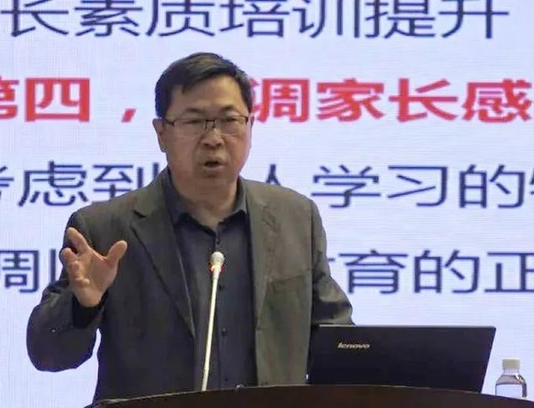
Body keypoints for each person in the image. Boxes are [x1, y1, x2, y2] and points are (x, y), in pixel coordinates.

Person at [26, 52, 353, 404]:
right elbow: (48, 355)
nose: (213, 138)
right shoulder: (106, 230)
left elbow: (336, 340)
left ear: (250, 127)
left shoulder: (295, 218)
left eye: (229, 120)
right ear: (161, 133)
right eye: (195, 122)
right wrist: (82, 306)